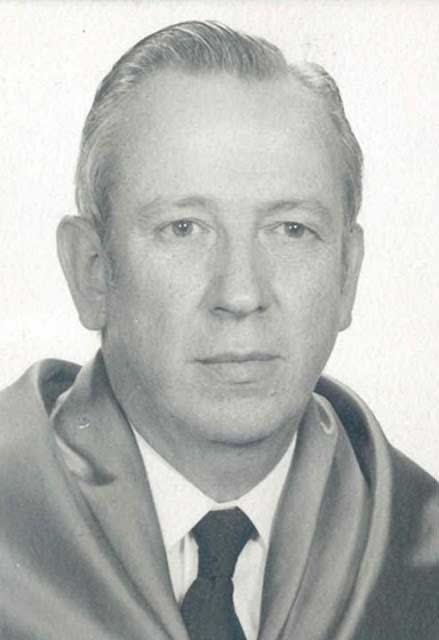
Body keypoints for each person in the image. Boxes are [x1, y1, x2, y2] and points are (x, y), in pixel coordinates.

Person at [0, 20, 438, 640]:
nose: (241, 294)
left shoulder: (419, 555)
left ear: (347, 274)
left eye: (291, 230)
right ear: (92, 271)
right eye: (183, 228)